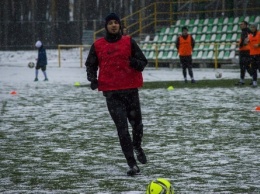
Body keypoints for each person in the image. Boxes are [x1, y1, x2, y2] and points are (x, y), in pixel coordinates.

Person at [85, 13, 148, 176]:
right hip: (112, 94)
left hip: (131, 91)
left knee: (137, 126)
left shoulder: (129, 42)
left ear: (120, 25)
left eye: (116, 23)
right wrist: (93, 79)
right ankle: (132, 164)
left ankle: (137, 146)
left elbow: (143, 62)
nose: (113, 25)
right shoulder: (98, 45)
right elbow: (90, 65)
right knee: (122, 129)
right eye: (110, 23)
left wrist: (135, 63)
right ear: (106, 26)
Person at [235, 20, 252, 86]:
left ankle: (244, 80)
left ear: (245, 25)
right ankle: (244, 80)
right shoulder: (247, 31)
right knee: (245, 66)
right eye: (240, 24)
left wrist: (241, 44)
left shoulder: (245, 31)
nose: (240, 25)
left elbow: (245, 41)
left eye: (242, 24)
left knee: (244, 66)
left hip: (245, 51)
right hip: (245, 51)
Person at [248, 23, 260, 87]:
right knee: (253, 69)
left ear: (256, 27)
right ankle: (254, 82)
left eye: (253, 27)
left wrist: (258, 45)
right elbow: (247, 43)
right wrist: (245, 42)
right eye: (251, 27)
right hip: (252, 54)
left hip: (259, 53)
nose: (252, 28)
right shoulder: (249, 35)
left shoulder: (259, 33)